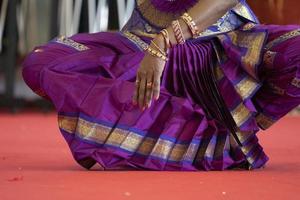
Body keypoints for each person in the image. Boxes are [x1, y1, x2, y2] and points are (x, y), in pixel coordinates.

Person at [22, 0, 300, 171]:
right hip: (140, 46)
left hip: (221, 52)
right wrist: (153, 48)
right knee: (40, 64)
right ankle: (164, 140)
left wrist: (164, 42)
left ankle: (227, 131)